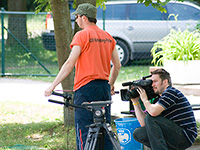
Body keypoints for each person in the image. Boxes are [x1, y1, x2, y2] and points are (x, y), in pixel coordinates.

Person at [44, 3, 121, 150]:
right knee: (105, 130)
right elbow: (117, 65)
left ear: (84, 17)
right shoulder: (108, 37)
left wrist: (52, 85)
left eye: (77, 17)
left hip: (85, 89)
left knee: (85, 132)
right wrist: (110, 84)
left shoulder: (81, 35)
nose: (76, 20)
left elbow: (69, 63)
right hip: (103, 88)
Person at [131, 68, 197, 150]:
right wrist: (135, 102)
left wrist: (145, 100)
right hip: (174, 134)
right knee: (139, 133)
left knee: (151, 118)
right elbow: (144, 124)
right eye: (152, 82)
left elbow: (153, 113)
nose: (152, 85)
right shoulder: (158, 99)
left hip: (185, 136)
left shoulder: (171, 92)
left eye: (155, 81)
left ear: (165, 82)